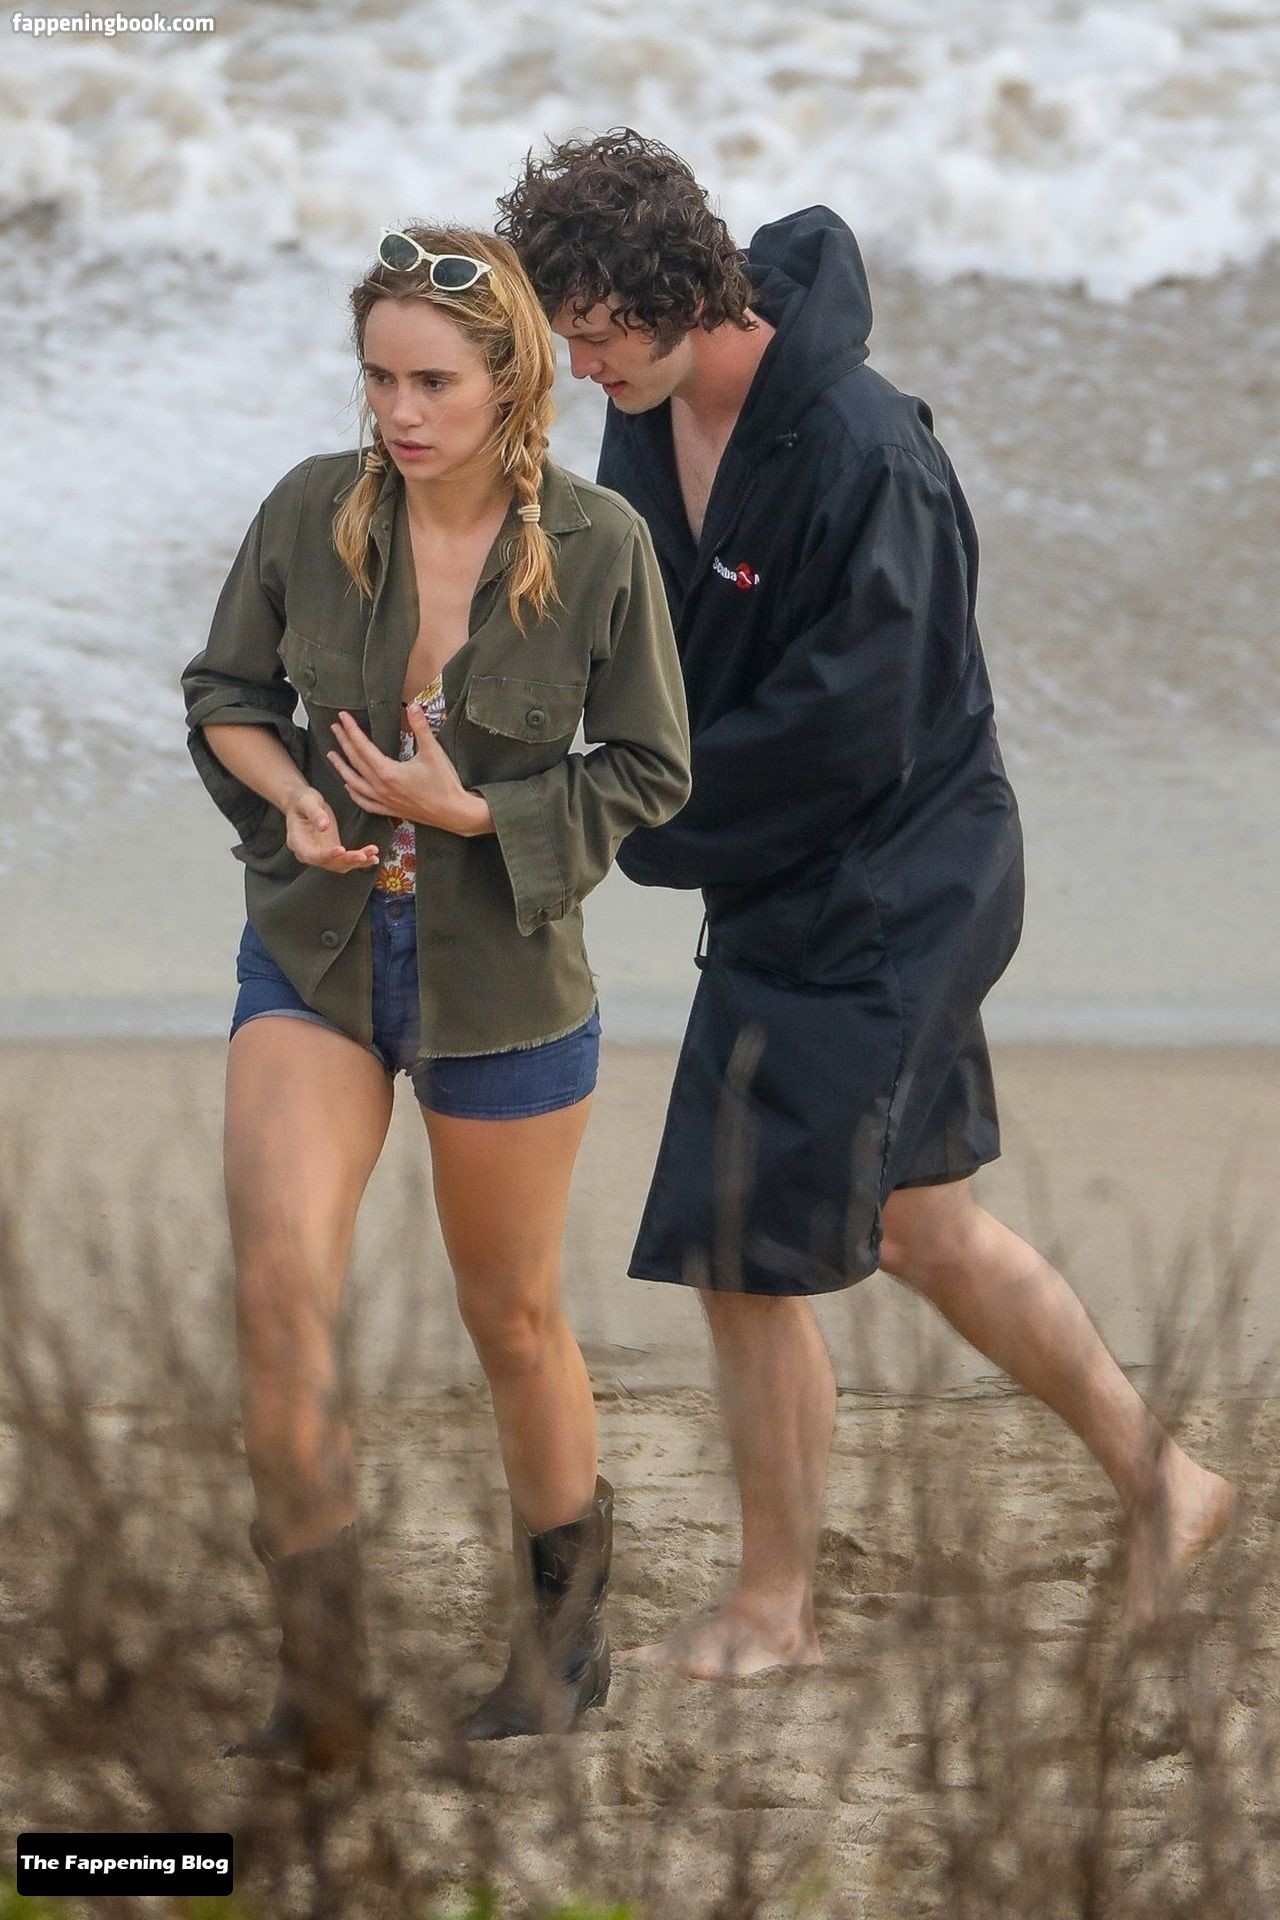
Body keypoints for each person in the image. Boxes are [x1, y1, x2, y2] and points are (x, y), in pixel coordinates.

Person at [496, 130, 1235, 1676]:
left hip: (900, 880)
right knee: (927, 1229)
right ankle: (1173, 1484)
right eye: (567, 333)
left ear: (684, 292)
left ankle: (774, 1607)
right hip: (790, 874)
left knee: (738, 1243)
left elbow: (858, 725)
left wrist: (627, 812)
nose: (582, 364)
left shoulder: (865, 451)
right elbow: (636, 630)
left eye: (602, 330)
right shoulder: (646, 414)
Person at [181, 222, 691, 1765]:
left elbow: (652, 770)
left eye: (433, 383)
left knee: (513, 1320)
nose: (400, 413)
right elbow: (227, 698)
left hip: (504, 977)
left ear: (510, 382)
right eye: (379, 378)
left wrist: (477, 811)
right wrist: (296, 804)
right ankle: (321, 1676)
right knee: (279, 1295)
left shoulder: (600, 545)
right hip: (318, 954)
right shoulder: (310, 510)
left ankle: (563, 1645)